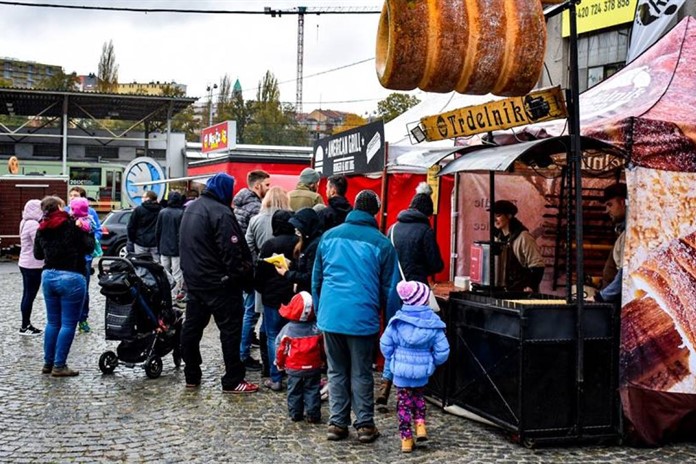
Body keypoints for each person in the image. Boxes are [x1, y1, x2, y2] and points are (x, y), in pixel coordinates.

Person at [312, 189, 401, 443]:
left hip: (331, 314)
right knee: (361, 372)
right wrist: (388, 321)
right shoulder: (382, 243)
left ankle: (337, 423)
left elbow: (316, 280)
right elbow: (388, 289)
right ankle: (364, 424)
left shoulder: (328, 237)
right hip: (363, 316)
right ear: (374, 211)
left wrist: (321, 312)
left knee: (336, 370)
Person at [179, 173, 258, 393]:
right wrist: (241, 274)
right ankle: (233, 378)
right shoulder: (221, 212)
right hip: (220, 284)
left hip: (195, 282)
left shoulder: (192, 208)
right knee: (230, 331)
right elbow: (231, 250)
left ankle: (192, 374)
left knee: (192, 329)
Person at [379, 182, 445, 406]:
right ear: (427, 212)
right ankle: (409, 388)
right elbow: (436, 264)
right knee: (415, 341)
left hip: (394, 291)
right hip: (417, 293)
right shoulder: (425, 230)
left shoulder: (392, 229)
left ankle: (387, 384)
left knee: (395, 336)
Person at [379, 280, 450, 453]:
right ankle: (420, 426)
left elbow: (385, 345)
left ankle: (406, 440)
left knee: (403, 404)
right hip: (421, 373)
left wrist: (393, 358)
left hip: (401, 373)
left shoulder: (397, 322)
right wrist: (432, 362)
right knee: (419, 399)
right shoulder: (433, 324)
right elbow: (443, 351)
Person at [34, 196, 95, 377]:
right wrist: (86, 231)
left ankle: (48, 363)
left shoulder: (42, 227)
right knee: (68, 324)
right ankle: (59, 366)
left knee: (52, 322)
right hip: (71, 276)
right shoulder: (71, 225)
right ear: (59, 207)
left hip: (48, 276)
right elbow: (89, 247)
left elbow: (38, 255)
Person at [246, 186, 291, 378]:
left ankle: (273, 372)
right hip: (290, 290)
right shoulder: (296, 238)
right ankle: (290, 368)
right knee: (288, 330)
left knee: (267, 328)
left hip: (268, 289)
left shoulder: (256, 221)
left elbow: (248, 246)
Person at [254, 210, 298, 391]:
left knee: (273, 335)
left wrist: (259, 288)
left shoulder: (269, 245)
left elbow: (261, 272)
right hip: (294, 296)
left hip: (272, 296)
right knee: (294, 334)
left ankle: (276, 375)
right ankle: (294, 372)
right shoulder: (298, 243)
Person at [234, 170, 271, 372]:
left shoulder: (239, 204)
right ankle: (243, 354)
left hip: (242, 266)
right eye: (266, 185)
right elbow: (255, 241)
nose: (269, 188)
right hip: (253, 267)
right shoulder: (256, 208)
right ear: (256, 186)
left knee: (247, 310)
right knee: (251, 311)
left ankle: (242, 350)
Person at [276, 291, 325, 423]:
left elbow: (281, 348)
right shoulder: (316, 329)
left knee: (294, 390)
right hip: (313, 366)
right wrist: (323, 361)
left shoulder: (287, 330)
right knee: (313, 389)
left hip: (294, 367)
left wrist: (279, 363)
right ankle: (313, 414)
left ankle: (295, 413)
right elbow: (323, 348)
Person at [67, 186, 102, 334]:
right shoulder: (65, 212)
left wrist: (92, 241)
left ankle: (83, 318)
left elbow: (98, 230)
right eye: (71, 195)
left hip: (85, 258)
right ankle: (69, 319)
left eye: (76, 195)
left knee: (83, 289)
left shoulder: (90, 212)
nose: (73, 198)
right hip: (68, 257)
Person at [490, 200, 545, 292]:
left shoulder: (523, 237)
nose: (494, 219)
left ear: (509, 216)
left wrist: (531, 286)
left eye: (498, 215)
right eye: (493, 216)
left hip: (522, 291)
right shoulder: (498, 238)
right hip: (504, 290)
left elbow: (538, 266)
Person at [276, 208, 322, 294]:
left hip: (309, 293)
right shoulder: (307, 241)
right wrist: (290, 264)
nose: (296, 230)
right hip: (305, 291)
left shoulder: (314, 245)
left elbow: (310, 276)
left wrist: (286, 273)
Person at [595, 183, 627, 304]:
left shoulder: (630, 235)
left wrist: (603, 296)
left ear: (623, 203)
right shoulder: (623, 232)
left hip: (616, 301)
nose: (606, 210)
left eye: (610, 205)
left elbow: (625, 272)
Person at [18, 199, 44, 336]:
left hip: (24, 262)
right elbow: (38, 244)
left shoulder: (24, 222)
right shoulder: (33, 224)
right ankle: (25, 325)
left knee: (27, 294)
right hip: (33, 265)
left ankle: (25, 324)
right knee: (29, 295)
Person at [155, 191, 185, 301]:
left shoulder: (162, 212)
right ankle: (175, 293)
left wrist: (158, 245)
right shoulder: (181, 213)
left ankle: (165, 293)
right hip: (177, 248)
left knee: (165, 271)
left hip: (164, 247)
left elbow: (157, 231)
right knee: (177, 272)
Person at [127, 190, 162, 262]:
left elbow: (131, 226)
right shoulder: (160, 210)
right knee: (156, 264)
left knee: (141, 263)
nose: (141, 198)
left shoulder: (139, 210)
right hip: (155, 242)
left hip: (141, 241)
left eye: (143, 197)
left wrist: (133, 239)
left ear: (148, 198)